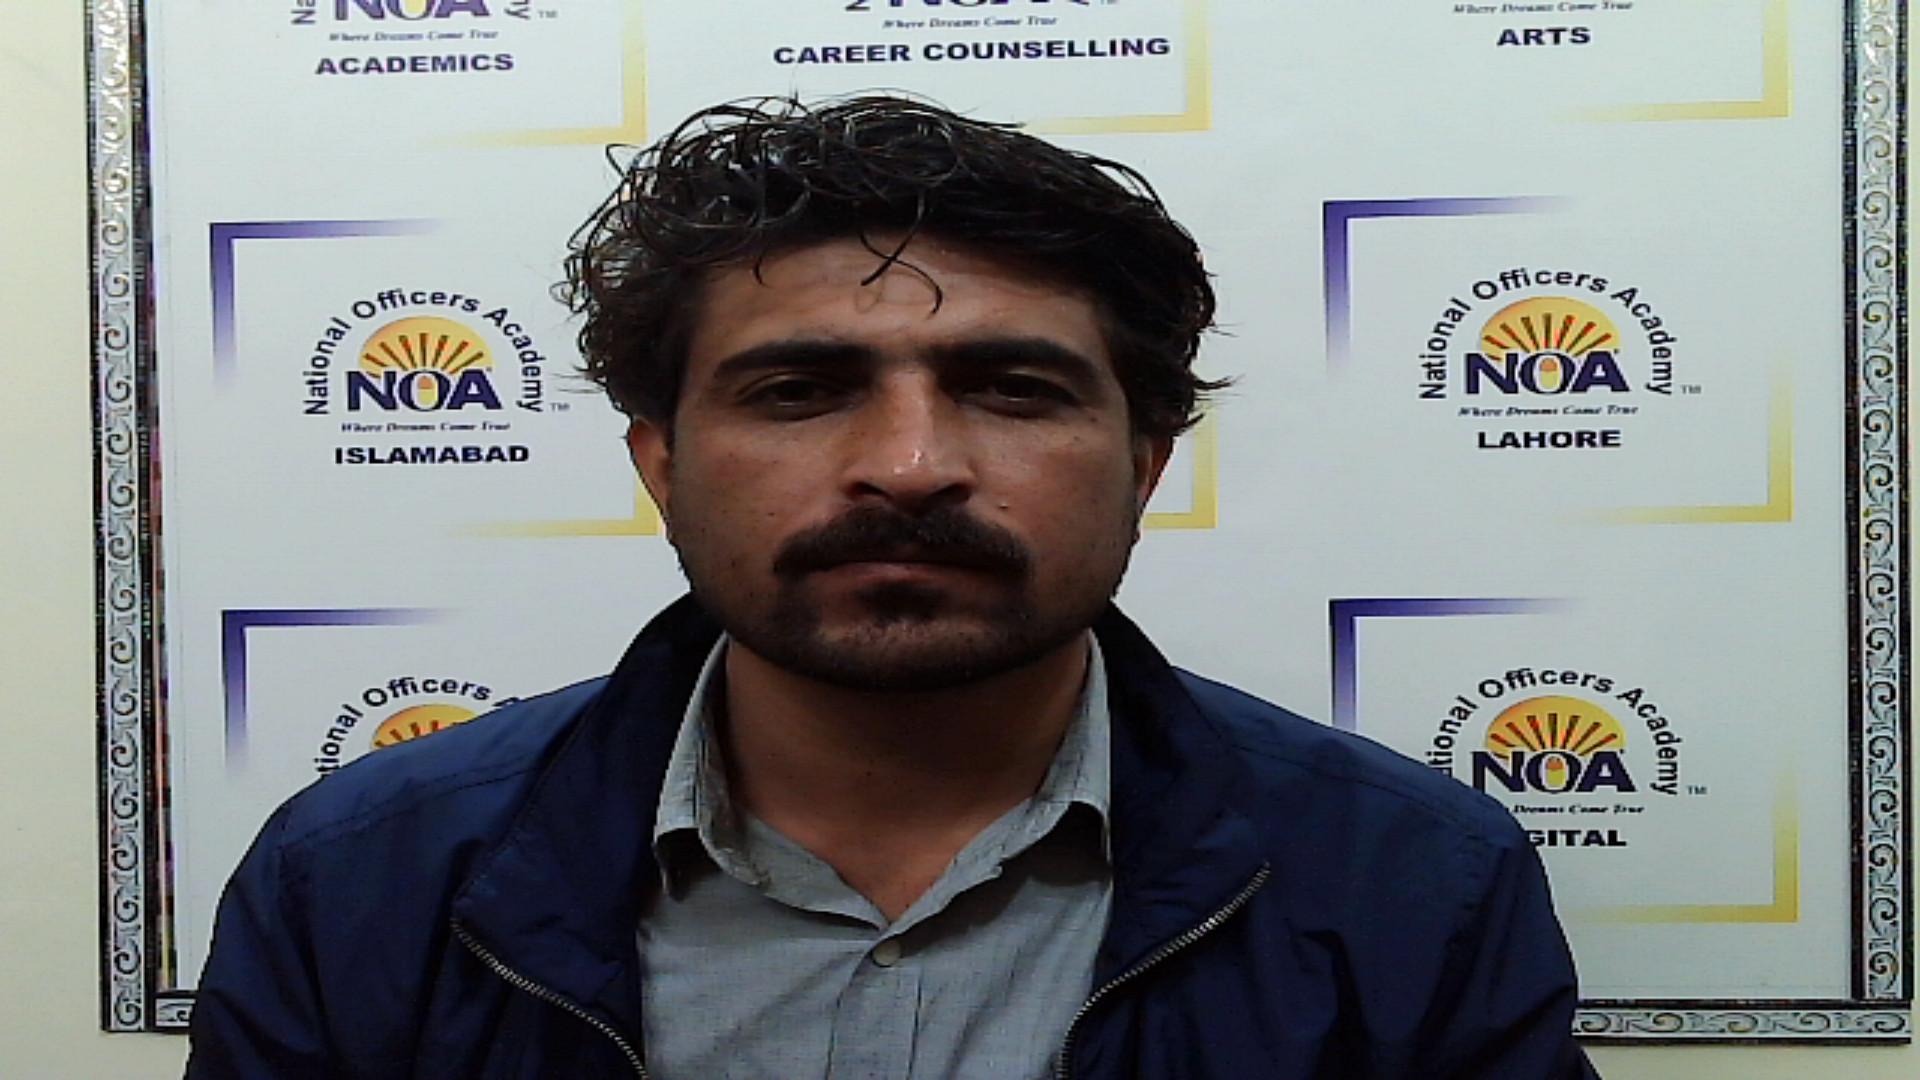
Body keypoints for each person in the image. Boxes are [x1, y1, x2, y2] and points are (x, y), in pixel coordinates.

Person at [186, 96, 1598, 1079]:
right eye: (800, 391)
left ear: (1145, 464)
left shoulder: (1412, 882)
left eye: (1012, 388)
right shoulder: (360, 883)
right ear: (662, 464)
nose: (911, 468)